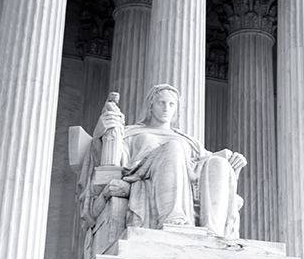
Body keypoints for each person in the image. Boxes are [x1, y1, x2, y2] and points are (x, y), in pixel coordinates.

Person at [89, 85, 245, 238]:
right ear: (150, 106)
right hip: (144, 174)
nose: (166, 108)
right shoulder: (131, 133)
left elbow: (205, 163)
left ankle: (213, 234)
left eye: (171, 104)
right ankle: (173, 221)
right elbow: (111, 161)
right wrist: (105, 131)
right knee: (174, 148)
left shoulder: (189, 141)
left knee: (219, 163)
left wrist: (234, 163)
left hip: (189, 177)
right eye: (161, 103)